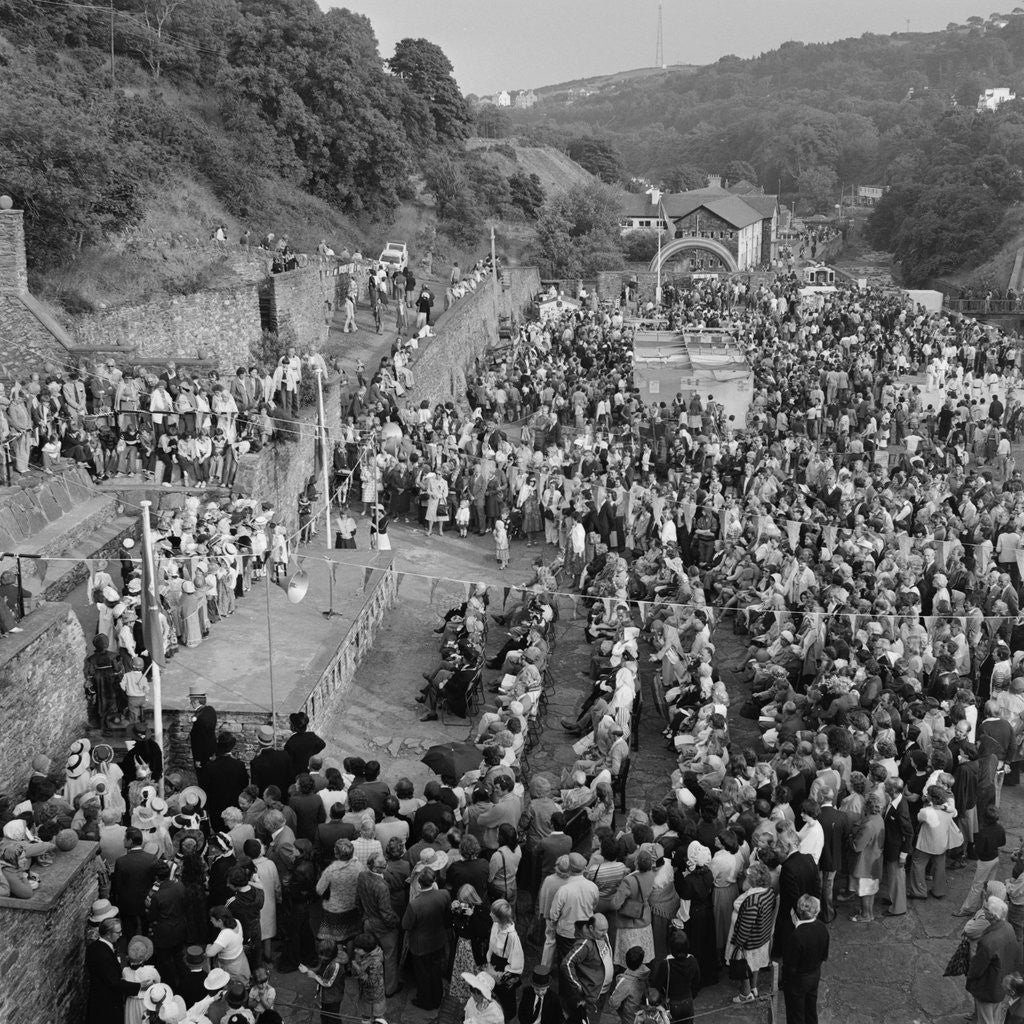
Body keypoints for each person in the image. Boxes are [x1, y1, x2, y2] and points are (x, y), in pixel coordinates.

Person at [401, 866, 451, 1011]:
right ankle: (437, 996)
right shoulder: (444, 894)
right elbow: (447, 916)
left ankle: (426, 1001)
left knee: (423, 975)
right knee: (435, 970)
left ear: (419, 883)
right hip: (438, 940)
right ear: (434, 880)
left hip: (420, 946)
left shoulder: (415, 904)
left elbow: (406, 925)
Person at [967, 896, 1019, 1024]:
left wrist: (970, 978)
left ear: (992, 916)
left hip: (987, 987)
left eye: (986, 910)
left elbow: (976, 969)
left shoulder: (987, 942)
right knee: (995, 1016)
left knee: (985, 1019)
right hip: (1001, 982)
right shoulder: (1008, 928)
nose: (983, 912)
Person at [780, 895, 829, 1024]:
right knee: (811, 1011)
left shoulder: (796, 936)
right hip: (815, 974)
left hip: (798, 980)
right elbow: (825, 955)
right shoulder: (822, 927)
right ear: (816, 911)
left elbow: (789, 966)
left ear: (799, 910)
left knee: (796, 1015)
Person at [85, 917, 141, 1024]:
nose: (121, 935)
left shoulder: (95, 946)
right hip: (106, 1002)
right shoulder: (103, 955)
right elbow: (114, 982)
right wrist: (139, 986)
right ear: (107, 934)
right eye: (118, 932)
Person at [561, 914, 614, 1023]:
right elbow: (567, 963)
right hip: (591, 995)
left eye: (606, 929)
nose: (605, 933)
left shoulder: (602, 936)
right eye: (602, 930)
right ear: (591, 928)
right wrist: (577, 985)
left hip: (602, 992)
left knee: (596, 1018)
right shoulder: (585, 944)